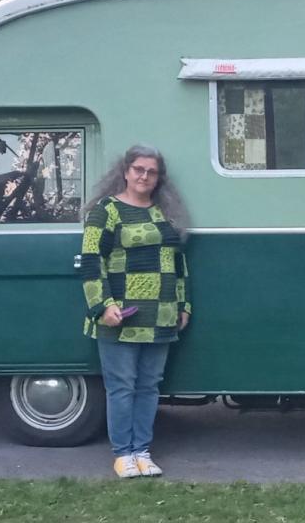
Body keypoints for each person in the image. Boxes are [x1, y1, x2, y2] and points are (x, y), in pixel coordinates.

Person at [80, 145, 191, 478]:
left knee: (149, 386)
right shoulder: (107, 210)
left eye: (152, 172)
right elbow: (90, 261)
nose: (145, 176)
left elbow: (177, 262)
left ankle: (142, 451)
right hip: (120, 316)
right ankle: (122, 454)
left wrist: (184, 303)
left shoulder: (163, 212)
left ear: (158, 178)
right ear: (125, 171)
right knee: (121, 386)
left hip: (161, 315)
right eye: (139, 169)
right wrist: (102, 306)